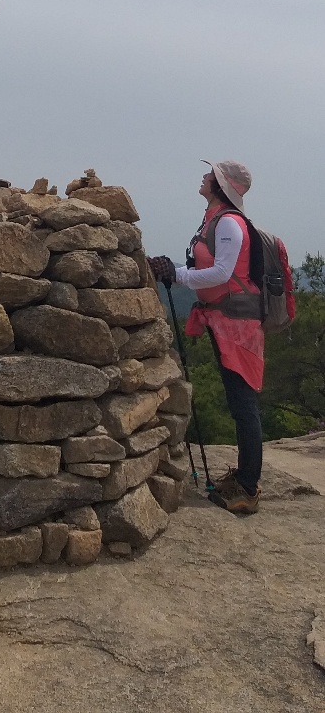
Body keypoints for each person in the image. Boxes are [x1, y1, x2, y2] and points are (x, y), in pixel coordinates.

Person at [148, 159, 264, 516]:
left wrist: (178, 275)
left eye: (210, 174)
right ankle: (244, 479)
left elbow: (222, 272)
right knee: (238, 398)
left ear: (221, 185)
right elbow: (210, 267)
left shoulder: (228, 222)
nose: (204, 176)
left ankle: (247, 489)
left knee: (242, 401)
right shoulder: (215, 219)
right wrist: (178, 270)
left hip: (237, 323)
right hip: (226, 318)